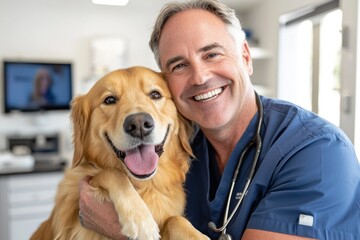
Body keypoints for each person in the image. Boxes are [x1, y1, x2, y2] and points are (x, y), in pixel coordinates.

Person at [78, 0, 360, 239]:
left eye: (212, 54)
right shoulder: (175, 143)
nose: (200, 77)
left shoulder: (319, 152)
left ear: (246, 57)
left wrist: (122, 231)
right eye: (179, 65)